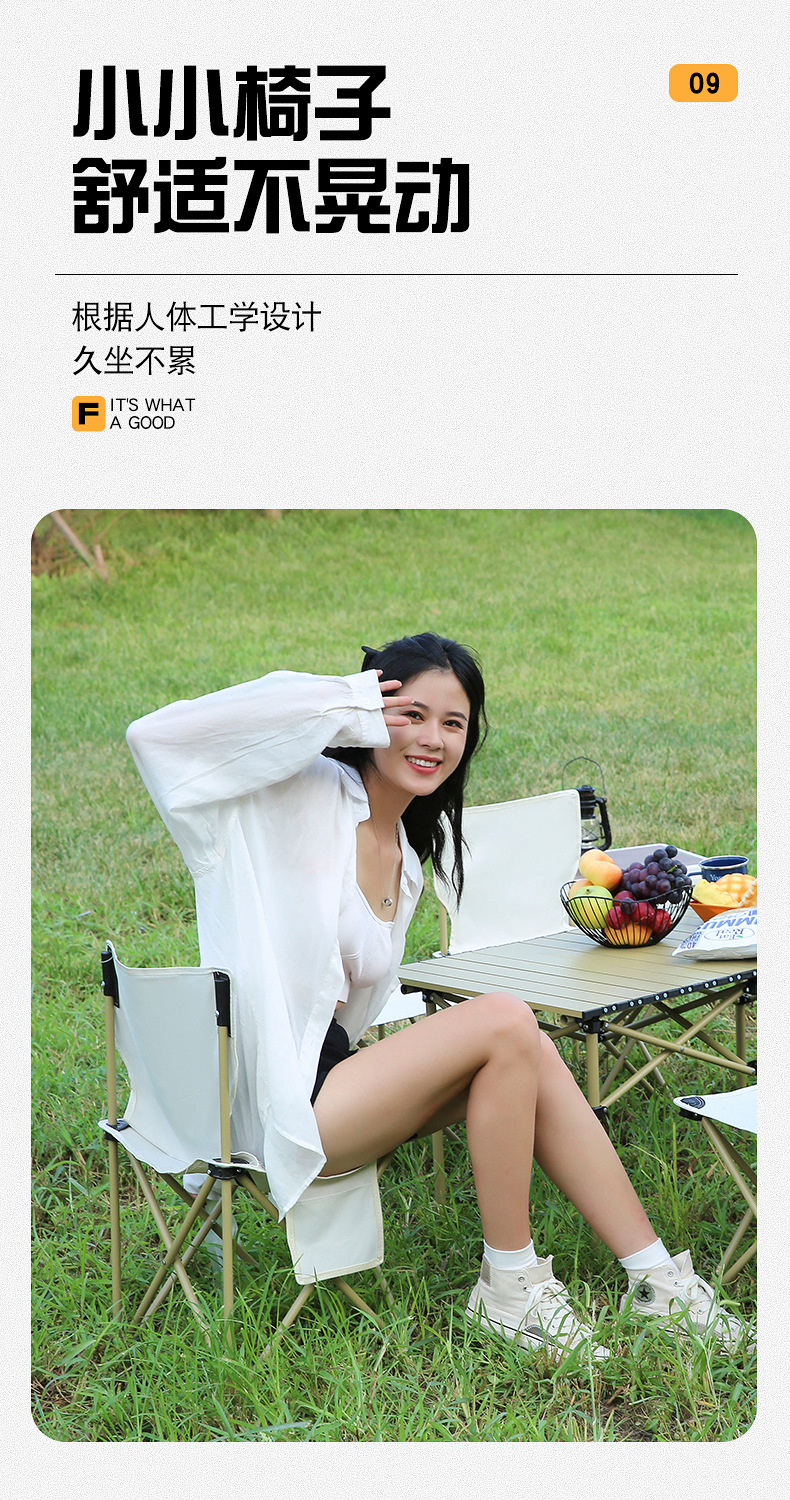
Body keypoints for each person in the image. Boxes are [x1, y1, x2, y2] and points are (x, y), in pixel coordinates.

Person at [126, 631, 748, 1361]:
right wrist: (344, 702)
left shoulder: (407, 860)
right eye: (411, 715)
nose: (433, 739)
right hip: (272, 1099)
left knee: (528, 1049)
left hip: (335, 1081)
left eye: (454, 724)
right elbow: (156, 738)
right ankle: (510, 1287)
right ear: (370, 713)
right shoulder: (283, 801)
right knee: (505, 1019)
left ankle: (658, 1281)